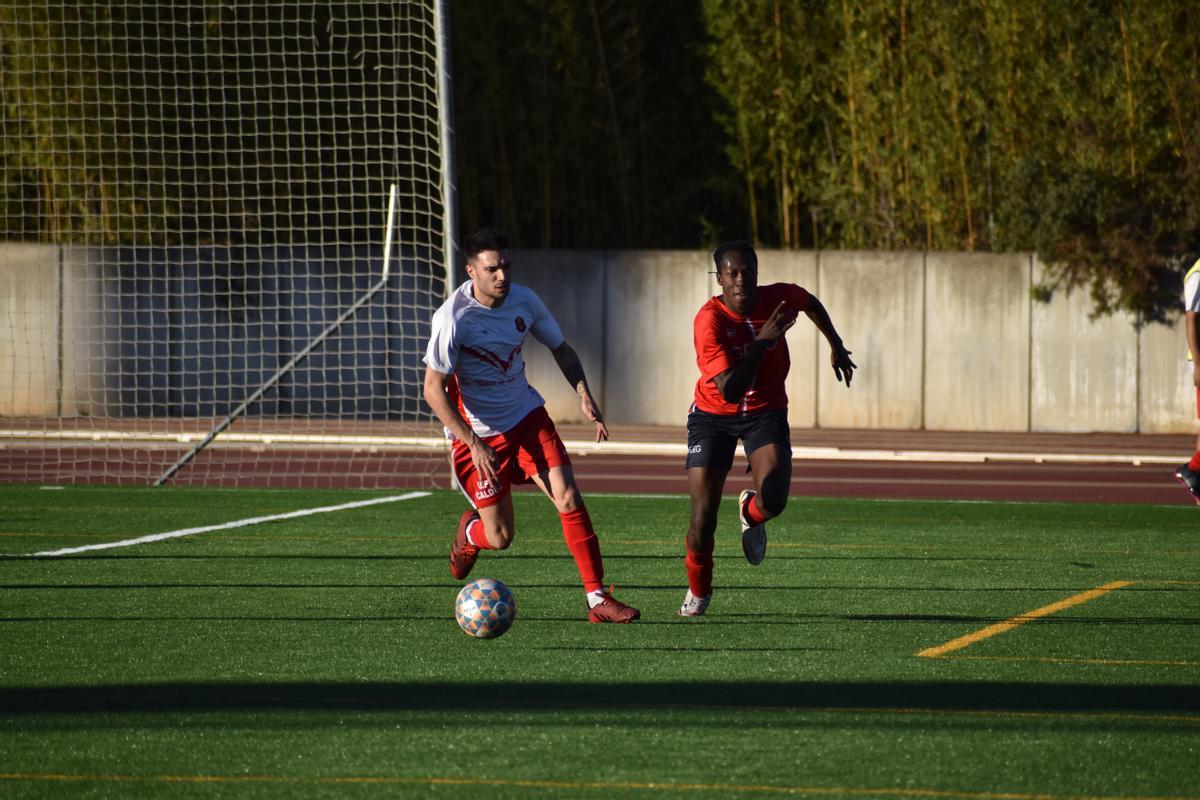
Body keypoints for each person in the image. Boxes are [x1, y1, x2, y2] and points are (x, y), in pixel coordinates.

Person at [423, 228, 640, 623]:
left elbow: (561, 347)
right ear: (471, 271)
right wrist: (472, 442)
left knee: (569, 496)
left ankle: (596, 599)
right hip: (479, 436)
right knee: (501, 538)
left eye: (506, 265)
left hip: (526, 417)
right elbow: (433, 390)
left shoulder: (524, 300)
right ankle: (469, 535)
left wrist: (583, 392)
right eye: (492, 269)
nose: (502, 276)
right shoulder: (452, 319)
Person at [679, 241, 856, 616]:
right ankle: (699, 591)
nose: (742, 280)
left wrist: (836, 344)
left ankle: (751, 512)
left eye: (748, 272)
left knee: (774, 499)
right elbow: (730, 390)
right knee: (702, 517)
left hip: (766, 410)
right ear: (720, 278)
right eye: (733, 274)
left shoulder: (777, 299)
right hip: (714, 414)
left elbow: (809, 301)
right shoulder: (708, 320)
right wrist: (762, 342)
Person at [1174, 253, 1200, 504]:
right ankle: (1192, 469)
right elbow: (1191, 319)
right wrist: (1198, 363)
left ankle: (1195, 474)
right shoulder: (1198, 273)